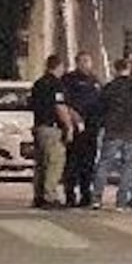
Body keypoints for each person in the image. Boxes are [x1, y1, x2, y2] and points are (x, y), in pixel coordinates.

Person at [91, 57, 132, 211]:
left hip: (113, 130)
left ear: (115, 69)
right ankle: (121, 202)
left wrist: (102, 122)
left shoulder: (110, 87)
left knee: (104, 164)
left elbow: (100, 107)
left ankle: (96, 199)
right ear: (128, 68)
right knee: (128, 166)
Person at [30, 55, 74, 210]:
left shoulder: (38, 83)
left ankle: (38, 196)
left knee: (41, 164)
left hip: (39, 126)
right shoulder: (56, 84)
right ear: (59, 66)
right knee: (55, 163)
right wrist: (69, 126)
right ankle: (50, 197)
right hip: (52, 128)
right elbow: (59, 106)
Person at [61, 52, 103, 208]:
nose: (86, 64)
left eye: (88, 61)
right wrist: (74, 117)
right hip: (75, 127)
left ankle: (86, 194)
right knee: (72, 162)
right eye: (83, 61)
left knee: (88, 163)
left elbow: (101, 102)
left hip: (91, 128)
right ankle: (70, 194)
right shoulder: (69, 79)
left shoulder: (95, 81)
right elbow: (64, 102)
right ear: (77, 63)